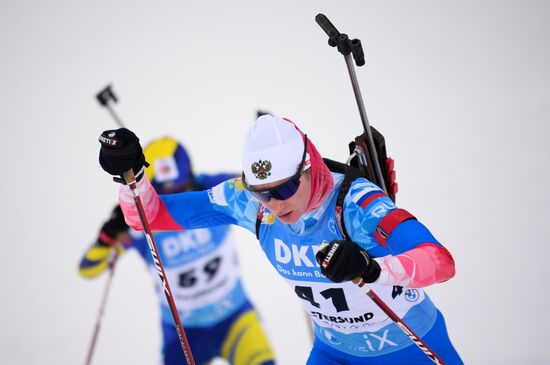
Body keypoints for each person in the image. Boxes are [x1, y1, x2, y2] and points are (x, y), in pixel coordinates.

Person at [97, 115, 463, 364]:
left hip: (409, 347)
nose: (275, 203)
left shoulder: (356, 204)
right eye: (261, 192)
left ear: (310, 167)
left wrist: (373, 268)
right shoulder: (249, 203)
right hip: (334, 353)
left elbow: (440, 261)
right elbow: (148, 216)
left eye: (286, 187)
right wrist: (132, 178)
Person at [81, 136, 276, 365]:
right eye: (164, 196)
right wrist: (107, 237)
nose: (176, 200)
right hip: (184, 336)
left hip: (237, 320)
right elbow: (89, 269)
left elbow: (263, 192)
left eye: (183, 189)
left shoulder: (212, 189)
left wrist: (266, 162)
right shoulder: (139, 219)